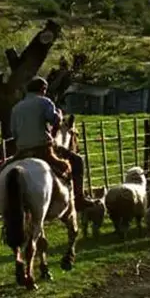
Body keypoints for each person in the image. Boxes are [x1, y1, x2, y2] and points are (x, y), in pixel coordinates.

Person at [10, 77, 93, 209]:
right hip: (43, 147)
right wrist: (59, 115)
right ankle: (79, 198)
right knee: (77, 161)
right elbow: (54, 121)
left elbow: (13, 132)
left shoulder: (16, 108)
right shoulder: (44, 102)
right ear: (43, 89)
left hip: (22, 150)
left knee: (4, 168)